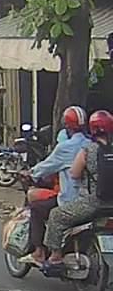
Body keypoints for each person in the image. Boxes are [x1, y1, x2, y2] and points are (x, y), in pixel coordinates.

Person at [36, 109, 113, 274]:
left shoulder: (87, 150)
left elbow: (74, 173)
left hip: (92, 204)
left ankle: (55, 257)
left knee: (56, 215)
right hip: (111, 206)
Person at [21, 106, 91, 265]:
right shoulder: (93, 145)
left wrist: (30, 173)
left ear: (67, 126)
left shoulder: (66, 148)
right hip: (93, 199)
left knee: (38, 209)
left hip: (72, 201)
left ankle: (40, 252)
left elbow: (45, 167)